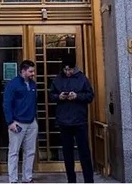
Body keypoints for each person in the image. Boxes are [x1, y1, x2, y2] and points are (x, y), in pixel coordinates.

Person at [49, 53, 95, 183]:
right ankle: (71, 180)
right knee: (67, 154)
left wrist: (77, 96)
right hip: (64, 121)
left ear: (74, 68)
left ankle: (89, 180)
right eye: (65, 69)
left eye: (69, 69)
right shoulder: (57, 79)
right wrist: (59, 97)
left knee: (84, 152)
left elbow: (90, 96)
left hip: (80, 121)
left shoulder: (82, 79)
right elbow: (51, 95)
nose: (67, 72)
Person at [3, 59, 38, 183]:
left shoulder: (33, 84)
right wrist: (10, 122)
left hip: (31, 122)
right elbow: (7, 104)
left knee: (30, 152)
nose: (33, 74)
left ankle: (27, 178)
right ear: (23, 71)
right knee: (14, 152)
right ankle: (13, 179)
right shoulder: (13, 84)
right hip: (17, 123)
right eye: (31, 71)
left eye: (33, 71)